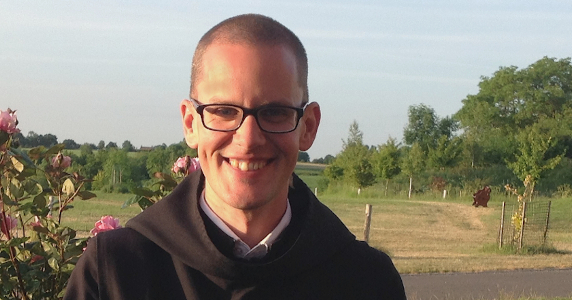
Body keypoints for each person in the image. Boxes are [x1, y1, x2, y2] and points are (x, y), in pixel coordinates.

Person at [65, 14, 406, 299]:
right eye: (224, 111)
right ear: (190, 123)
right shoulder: (115, 274)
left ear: (308, 126)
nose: (248, 139)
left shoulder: (366, 282)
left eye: (274, 112)